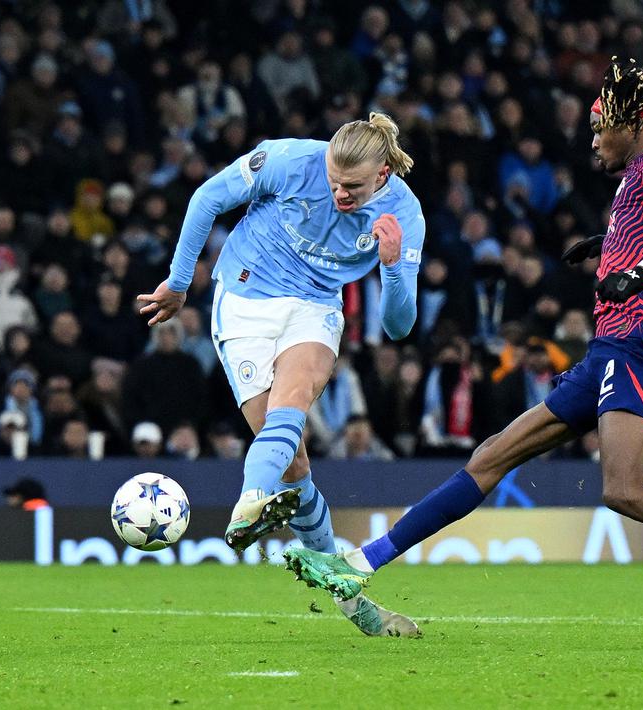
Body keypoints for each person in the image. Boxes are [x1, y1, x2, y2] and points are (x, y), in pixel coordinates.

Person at [284, 58, 643, 645]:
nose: (591, 141)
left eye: (599, 128)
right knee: (492, 456)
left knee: (626, 489)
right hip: (609, 348)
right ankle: (359, 563)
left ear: (636, 121)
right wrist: (617, 238)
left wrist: (640, 266)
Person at [138, 112, 423, 637]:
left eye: (353, 186)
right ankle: (351, 602)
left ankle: (249, 502)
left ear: (383, 174)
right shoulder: (290, 159)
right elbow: (207, 198)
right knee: (293, 462)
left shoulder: (404, 213)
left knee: (292, 400)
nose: (339, 191)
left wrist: (389, 266)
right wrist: (179, 283)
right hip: (244, 297)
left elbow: (399, 326)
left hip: (315, 306)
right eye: (334, 179)